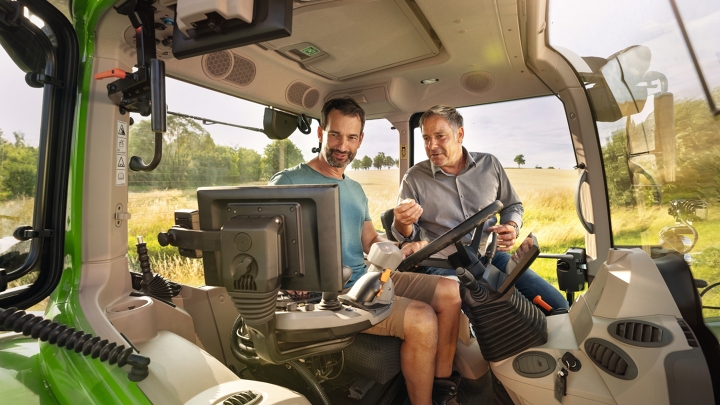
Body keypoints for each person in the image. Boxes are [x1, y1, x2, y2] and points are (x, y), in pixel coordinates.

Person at [269, 97, 463, 405]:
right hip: (333, 295)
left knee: (450, 290)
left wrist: (401, 243)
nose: (342, 146)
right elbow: (269, 246)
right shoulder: (289, 182)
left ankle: (442, 387)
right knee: (422, 317)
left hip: (367, 277)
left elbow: (370, 240)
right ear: (320, 133)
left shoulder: (355, 190)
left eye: (351, 137)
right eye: (334, 134)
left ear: (360, 139)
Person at [391, 105, 568, 311]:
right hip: (443, 265)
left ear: (460, 134)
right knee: (486, 315)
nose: (432, 145)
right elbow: (407, 239)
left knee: (557, 306)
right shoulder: (414, 178)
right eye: (426, 138)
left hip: (491, 257)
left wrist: (511, 225)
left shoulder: (490, 165)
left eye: (440, 136)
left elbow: (512, 205)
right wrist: (402, 222)